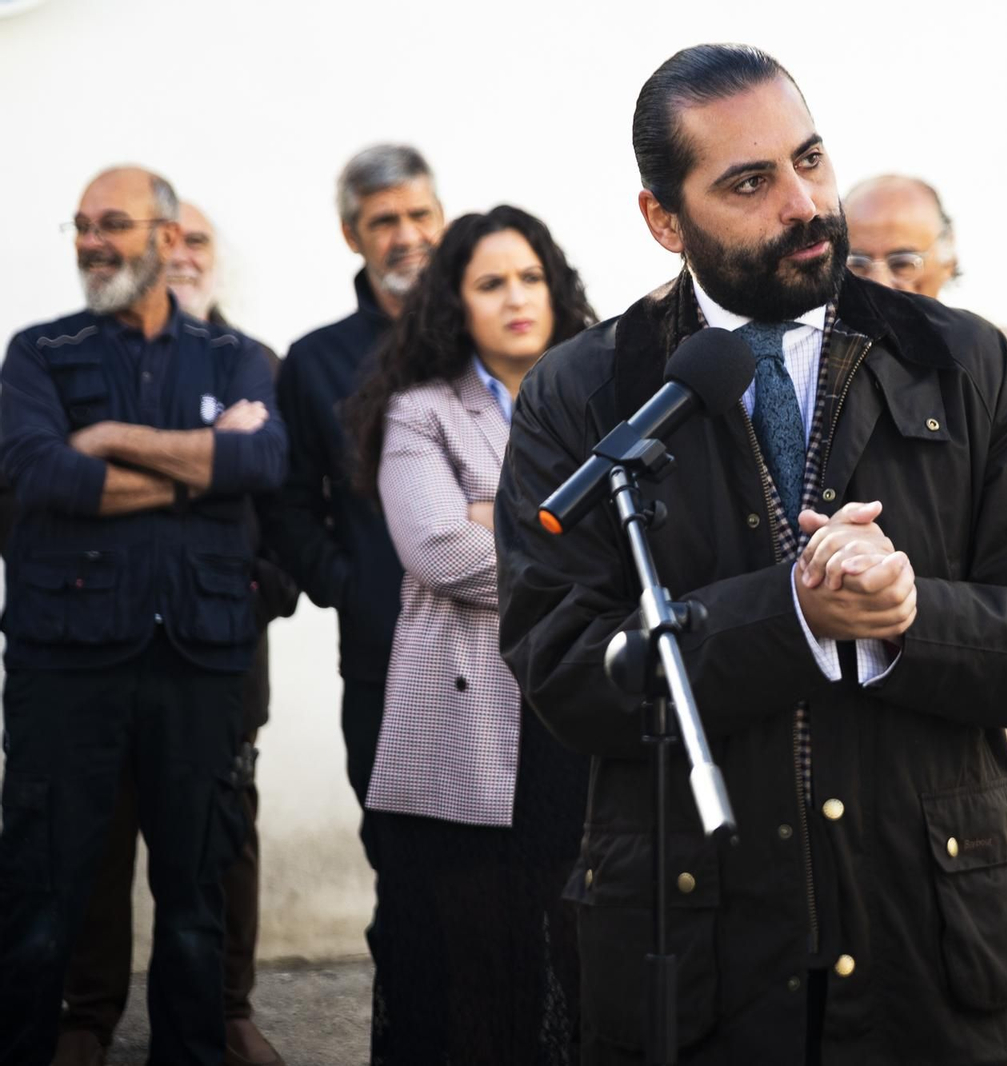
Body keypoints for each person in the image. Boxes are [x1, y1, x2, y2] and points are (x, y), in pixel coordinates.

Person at [496, 44, 1007, 1065]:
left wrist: (912, 614)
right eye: (750, 182)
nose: (805, 203)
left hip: (928, 953)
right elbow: (564, 670)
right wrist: (789, 617)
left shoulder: (961, 361)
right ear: (663, 219)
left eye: (810, 159)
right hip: (698, 961)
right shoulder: (584, 391)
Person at [0, 166, 286, 1066]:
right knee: (40, 895)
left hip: (201, 661)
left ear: (164, 238)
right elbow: (43, 473)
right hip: (64, 664)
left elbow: (262, 465)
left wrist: (112, 440)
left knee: (195, 901)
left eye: (111, 224)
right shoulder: (38, 353)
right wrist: (199, 470)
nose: (91, 242)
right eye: (81, 226)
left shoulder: (236, 357)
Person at [342, 205, 596, 1064]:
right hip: (464, 723)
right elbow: (442, 552)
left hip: (576, 711)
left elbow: (657, 543)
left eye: (530, 278)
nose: (517, 298)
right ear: (457, 303)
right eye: (491, 283)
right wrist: (579, 550)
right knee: (469, 961)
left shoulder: (598, 402)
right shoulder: (421, 412)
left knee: (575, 948)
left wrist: (500, 517)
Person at [843, 173, 1007, 814]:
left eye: (903, 260)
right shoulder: (821, 358)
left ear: (948, 259)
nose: (882, 280)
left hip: (982, 639)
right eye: (858, 262)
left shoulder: (995, 359)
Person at [263, 144, 442, 812]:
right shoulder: (314, 361)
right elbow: (288, 506)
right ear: (351, 235)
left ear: (442, 217)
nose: (407, 236)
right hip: (382, 657)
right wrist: (351, 588)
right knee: (396, 844)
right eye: (384, 221)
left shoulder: (493, 333)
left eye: (419, 215)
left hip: (507, 647)